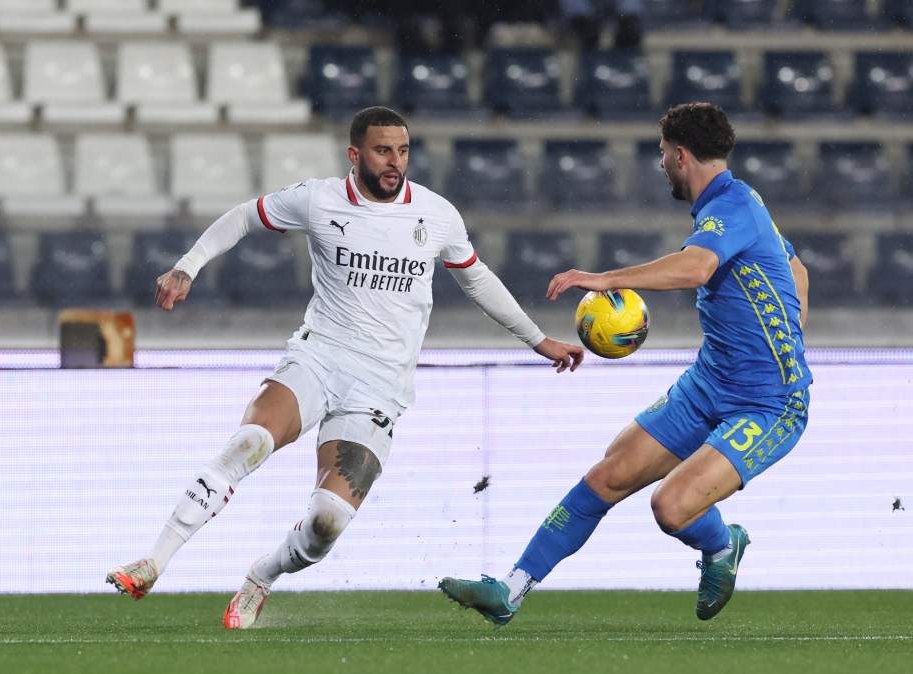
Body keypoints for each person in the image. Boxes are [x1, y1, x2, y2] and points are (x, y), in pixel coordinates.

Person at [106, 106, 585, 628]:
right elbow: (245, 215)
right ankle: (155, 560)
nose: (394, 162)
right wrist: (187, 266)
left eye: (402, 151)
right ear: (355, 154)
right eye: (383, 151)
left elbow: (476, 279)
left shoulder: (436, 214)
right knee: (250, 441)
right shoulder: (318, 199)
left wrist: (537, 339)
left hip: (381, 386)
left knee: (325, 525)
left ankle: (262, 575)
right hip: (319, 357)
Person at [439, 102, 811, 623]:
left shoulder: (732, 207)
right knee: (608, 476)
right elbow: (797, 270)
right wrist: (788, 331)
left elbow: (698, 268)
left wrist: (607, 279)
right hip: (710, 382)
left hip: (770, 403)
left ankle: (724, 543)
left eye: (663, 154)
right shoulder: (741, 205)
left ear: (681, 155)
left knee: (671, 507)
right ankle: (511, 588)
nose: (661, 164)